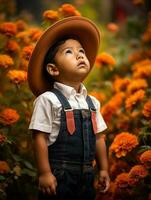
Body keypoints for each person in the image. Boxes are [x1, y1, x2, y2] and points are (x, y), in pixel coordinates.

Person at [28, 16, 110, 200]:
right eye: (69, 52)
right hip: (60, 176)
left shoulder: (93, 103)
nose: (80, 55)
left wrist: (103, 168)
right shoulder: (48, 100)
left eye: (81, 51)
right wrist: (44, 173)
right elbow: (39, 137)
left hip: (87, 175)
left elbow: (98, 138)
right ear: (53, 69)